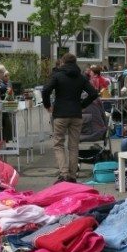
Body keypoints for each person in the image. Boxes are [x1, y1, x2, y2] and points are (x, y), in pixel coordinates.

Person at [42, 52, 99, 182]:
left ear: (63, 62)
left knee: (58, 144)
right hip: (76, 114)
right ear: (75, 62)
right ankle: (73, 176)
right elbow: (93, 93)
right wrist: (82, 105)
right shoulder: (81, 77)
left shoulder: (57, 75)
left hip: (60, 114)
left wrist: (47, 105)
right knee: (73, 146)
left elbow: (45, 90)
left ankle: (64, 174)